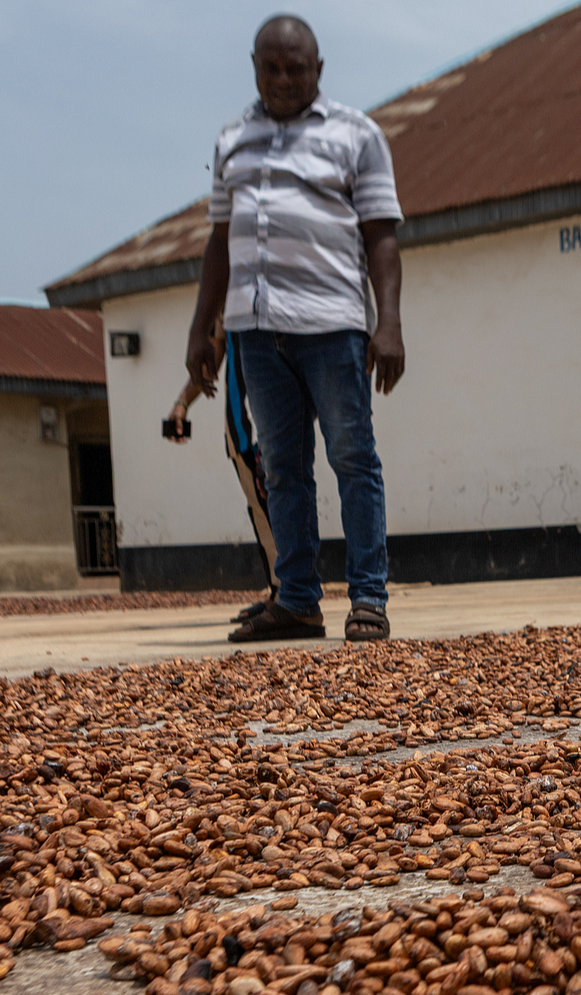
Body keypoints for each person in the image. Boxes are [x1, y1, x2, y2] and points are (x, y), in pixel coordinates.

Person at [185, 13, 404, 643]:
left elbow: (381, 236)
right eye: (272, 68)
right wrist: (202, 329)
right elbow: (220, 241)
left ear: (319, 69)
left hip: (332, 324)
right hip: (254, 330)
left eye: (297, 69)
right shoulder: (233, 139)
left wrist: (388, 323)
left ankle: (368, 599)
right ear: (255, 67)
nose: (284, 80)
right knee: (282, 468)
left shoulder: (357, 135)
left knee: (352, 458)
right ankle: (299, 601)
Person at [164, 319, 280, 624]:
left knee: (279, 500)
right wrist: (183, 401)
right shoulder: (225, 302)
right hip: (240, 425)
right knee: (259, 505)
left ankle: (292, 592)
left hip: (271, 415)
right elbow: (216, 349)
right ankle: (280, 590)